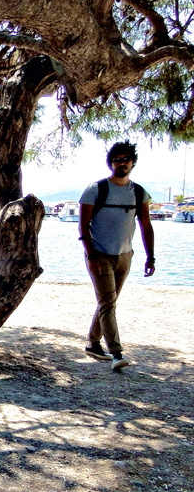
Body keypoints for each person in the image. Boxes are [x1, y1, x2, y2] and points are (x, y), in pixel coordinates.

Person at [78, 141, 155, 371]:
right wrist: (90, 254)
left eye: (125, 159)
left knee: (107, 302)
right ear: (110, 163)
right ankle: (116, 353)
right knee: (108, 303)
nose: (121, 163)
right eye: (117, 159)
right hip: (99, 254)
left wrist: (150, 256)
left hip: (125, 256)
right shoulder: (96, 189)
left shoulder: (139, 192)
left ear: (132, 162)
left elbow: (146, 226)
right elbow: (83, 226)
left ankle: (93, 343)